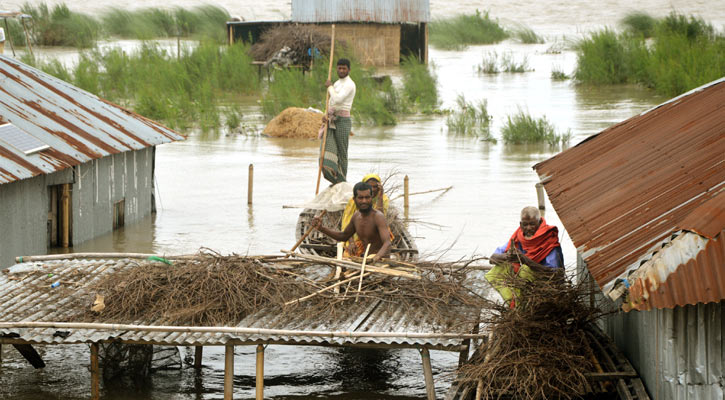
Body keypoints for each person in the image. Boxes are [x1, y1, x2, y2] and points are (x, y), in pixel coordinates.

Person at [486, 206, 563, 307]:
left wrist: (525, 260)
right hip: (524, 286)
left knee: (525, 270)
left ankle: (523, 306)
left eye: (532, 224)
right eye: (525, 224)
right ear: (520, 225)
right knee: (498, 269)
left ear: (539, 223)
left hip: (543, 287)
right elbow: (492, 258)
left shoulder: (548, 241)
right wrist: (507, 257)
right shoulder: (518, 237)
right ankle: (514, 304)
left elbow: (555, 274)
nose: (528, 228)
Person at [312, 182, 391, 262]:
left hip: (380, 260)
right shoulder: (356, 216)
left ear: (371, 198)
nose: (364, 201)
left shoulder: (378, 216)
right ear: (354, 199)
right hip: (366, 261)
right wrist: (321, 228)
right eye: (360, 198)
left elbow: (387, 243)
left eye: (367, 197)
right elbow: (344, 236)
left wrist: (375, 258)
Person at [320, 58, 356, 184]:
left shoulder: (350, 84)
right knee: (328, 148)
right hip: (333, 119)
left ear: (349, 70)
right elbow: (331, 103)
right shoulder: (336, 83)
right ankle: (334, 180)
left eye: (344, 68)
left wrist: (329, 87)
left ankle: (342, 181)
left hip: (343, 121)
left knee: (342, 152)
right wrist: (326, 115)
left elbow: (338, 100)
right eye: (339, 68)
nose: (341, 70)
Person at [341, 173, 391, 256]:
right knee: (348, 255)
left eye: (375, 186)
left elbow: (381, 216)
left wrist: (380, 197)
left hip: (375, 236)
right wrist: (351, 242)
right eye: (369, 186)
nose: (373, 189)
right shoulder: (353, 202)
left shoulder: (383, 199)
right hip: (357, 235)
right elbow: (347, 223)